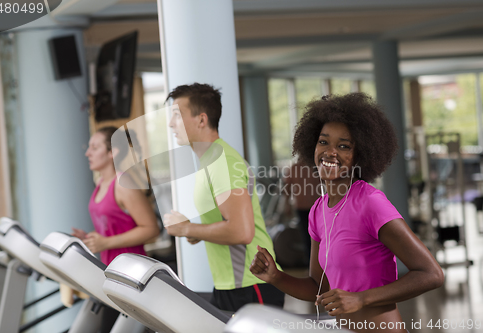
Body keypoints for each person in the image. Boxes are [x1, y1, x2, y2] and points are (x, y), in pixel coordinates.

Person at [250, 93, 444, 333]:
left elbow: (431, 274)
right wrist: (276, 276)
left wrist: (361, 298)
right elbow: (319, 289)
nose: (330, 152)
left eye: (343, 146)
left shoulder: (371, 203)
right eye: (324, 142)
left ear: (360, 155)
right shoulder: (318, 211)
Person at [163, 83, 285, 312]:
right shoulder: (210, 161)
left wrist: (188, 229)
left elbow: (241, 231)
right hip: (231, 284)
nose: (171, 123)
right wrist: (198, 231)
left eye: (177, 115)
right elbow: (229, 221)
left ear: (201, 120)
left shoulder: (222, 163)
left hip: (252, 284)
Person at [73, 127, 160, 332]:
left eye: (94, 147)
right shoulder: (101, 183)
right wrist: (90, 239)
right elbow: (112, 229)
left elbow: (151, 229)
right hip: (110, 277)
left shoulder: (123, 184)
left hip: (132, 279)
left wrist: (106, 242)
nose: (88, 153)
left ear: (113, 152)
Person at [283, 161, 321, 262]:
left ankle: (316, 263)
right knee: (307, 236)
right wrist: (286, 204)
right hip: (303, 207)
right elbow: (287, 188)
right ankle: (311, 264)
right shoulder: (296, 168)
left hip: (316, 206)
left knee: (316, 236)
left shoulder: (316, 167)